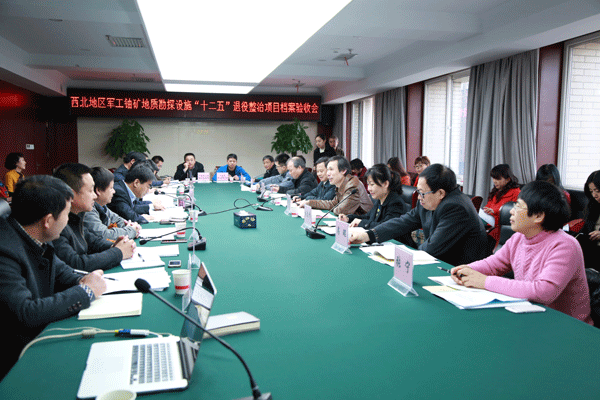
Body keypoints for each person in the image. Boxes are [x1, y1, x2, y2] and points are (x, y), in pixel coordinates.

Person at [0, 176, 107, 379]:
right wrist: (86, 291)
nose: (67, 222)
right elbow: (26, 312)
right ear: (48, 221)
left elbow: (61, 271)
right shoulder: (5, 250)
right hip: (15, 362)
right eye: (66, 214)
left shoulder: (35, 234)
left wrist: (85, 280)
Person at [451, 181, 592, 325]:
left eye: (518, 206)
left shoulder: (565, 245)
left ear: (538, 216)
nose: (511, 211)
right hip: (531, 318)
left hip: (567, 326)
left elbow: (543, 292)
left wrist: (484, 282)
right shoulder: (519, 238)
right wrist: (466, 269)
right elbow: (493, 264)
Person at [350, 164, 488, 266]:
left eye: (422, 193)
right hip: (440, 264)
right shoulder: (428, 200)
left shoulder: (456, 208)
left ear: (440, 193)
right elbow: (403, 222)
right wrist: (369, 235)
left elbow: (432, 248)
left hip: (461, 272)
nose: (419, 197)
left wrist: (400, 258)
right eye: (418, 192)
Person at [52, 163, 135, 272]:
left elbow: (93, 241)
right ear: (70, 195)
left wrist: (114, 246)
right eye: (91, 190)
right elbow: (76, 263)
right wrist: (118, 252)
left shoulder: (77, 216)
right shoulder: (56, 224)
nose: (95, 196)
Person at [339, 164, 414, 246]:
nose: (369, 189)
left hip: (397, 246)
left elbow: (385, 227)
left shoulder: (395, 203)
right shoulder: (380, 199)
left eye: (372, 184)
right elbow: (368, 217)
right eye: (368, 184)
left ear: (385, 184)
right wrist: (349, 218)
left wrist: (361, 223)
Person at [299, 156, 373, 216]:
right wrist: (309, 202)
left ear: (343, 171)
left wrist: (334, 206)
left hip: (363, 225)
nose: (328, 173)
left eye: (331, 169)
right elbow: (332, 203)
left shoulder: (352, 186)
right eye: (327, 170)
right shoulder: (341, 183)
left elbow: (340, 210)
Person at [84, 167, 141, 241]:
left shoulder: (102, 206)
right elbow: (104, 234)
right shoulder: (88, 211)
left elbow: (117, 220)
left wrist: (131, 226)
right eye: (111, 188)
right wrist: (131, 230)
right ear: (98, 190)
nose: (114, 191)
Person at [481, 164, 520, 242]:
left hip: (500, 227)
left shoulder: (516, 193)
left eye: (498, 179)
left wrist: (495, 212)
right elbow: (488, 205)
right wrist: (486, 210)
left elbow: (514, 214)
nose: (494, 181)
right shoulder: (496, 191)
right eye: (493, 178)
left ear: (508, 179)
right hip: (489, 224)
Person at [579, 170, 600, 270]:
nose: (594, 195)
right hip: (593, 249)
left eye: (597, 191)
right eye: (592, 191)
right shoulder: (594, 205)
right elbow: (586, 228)